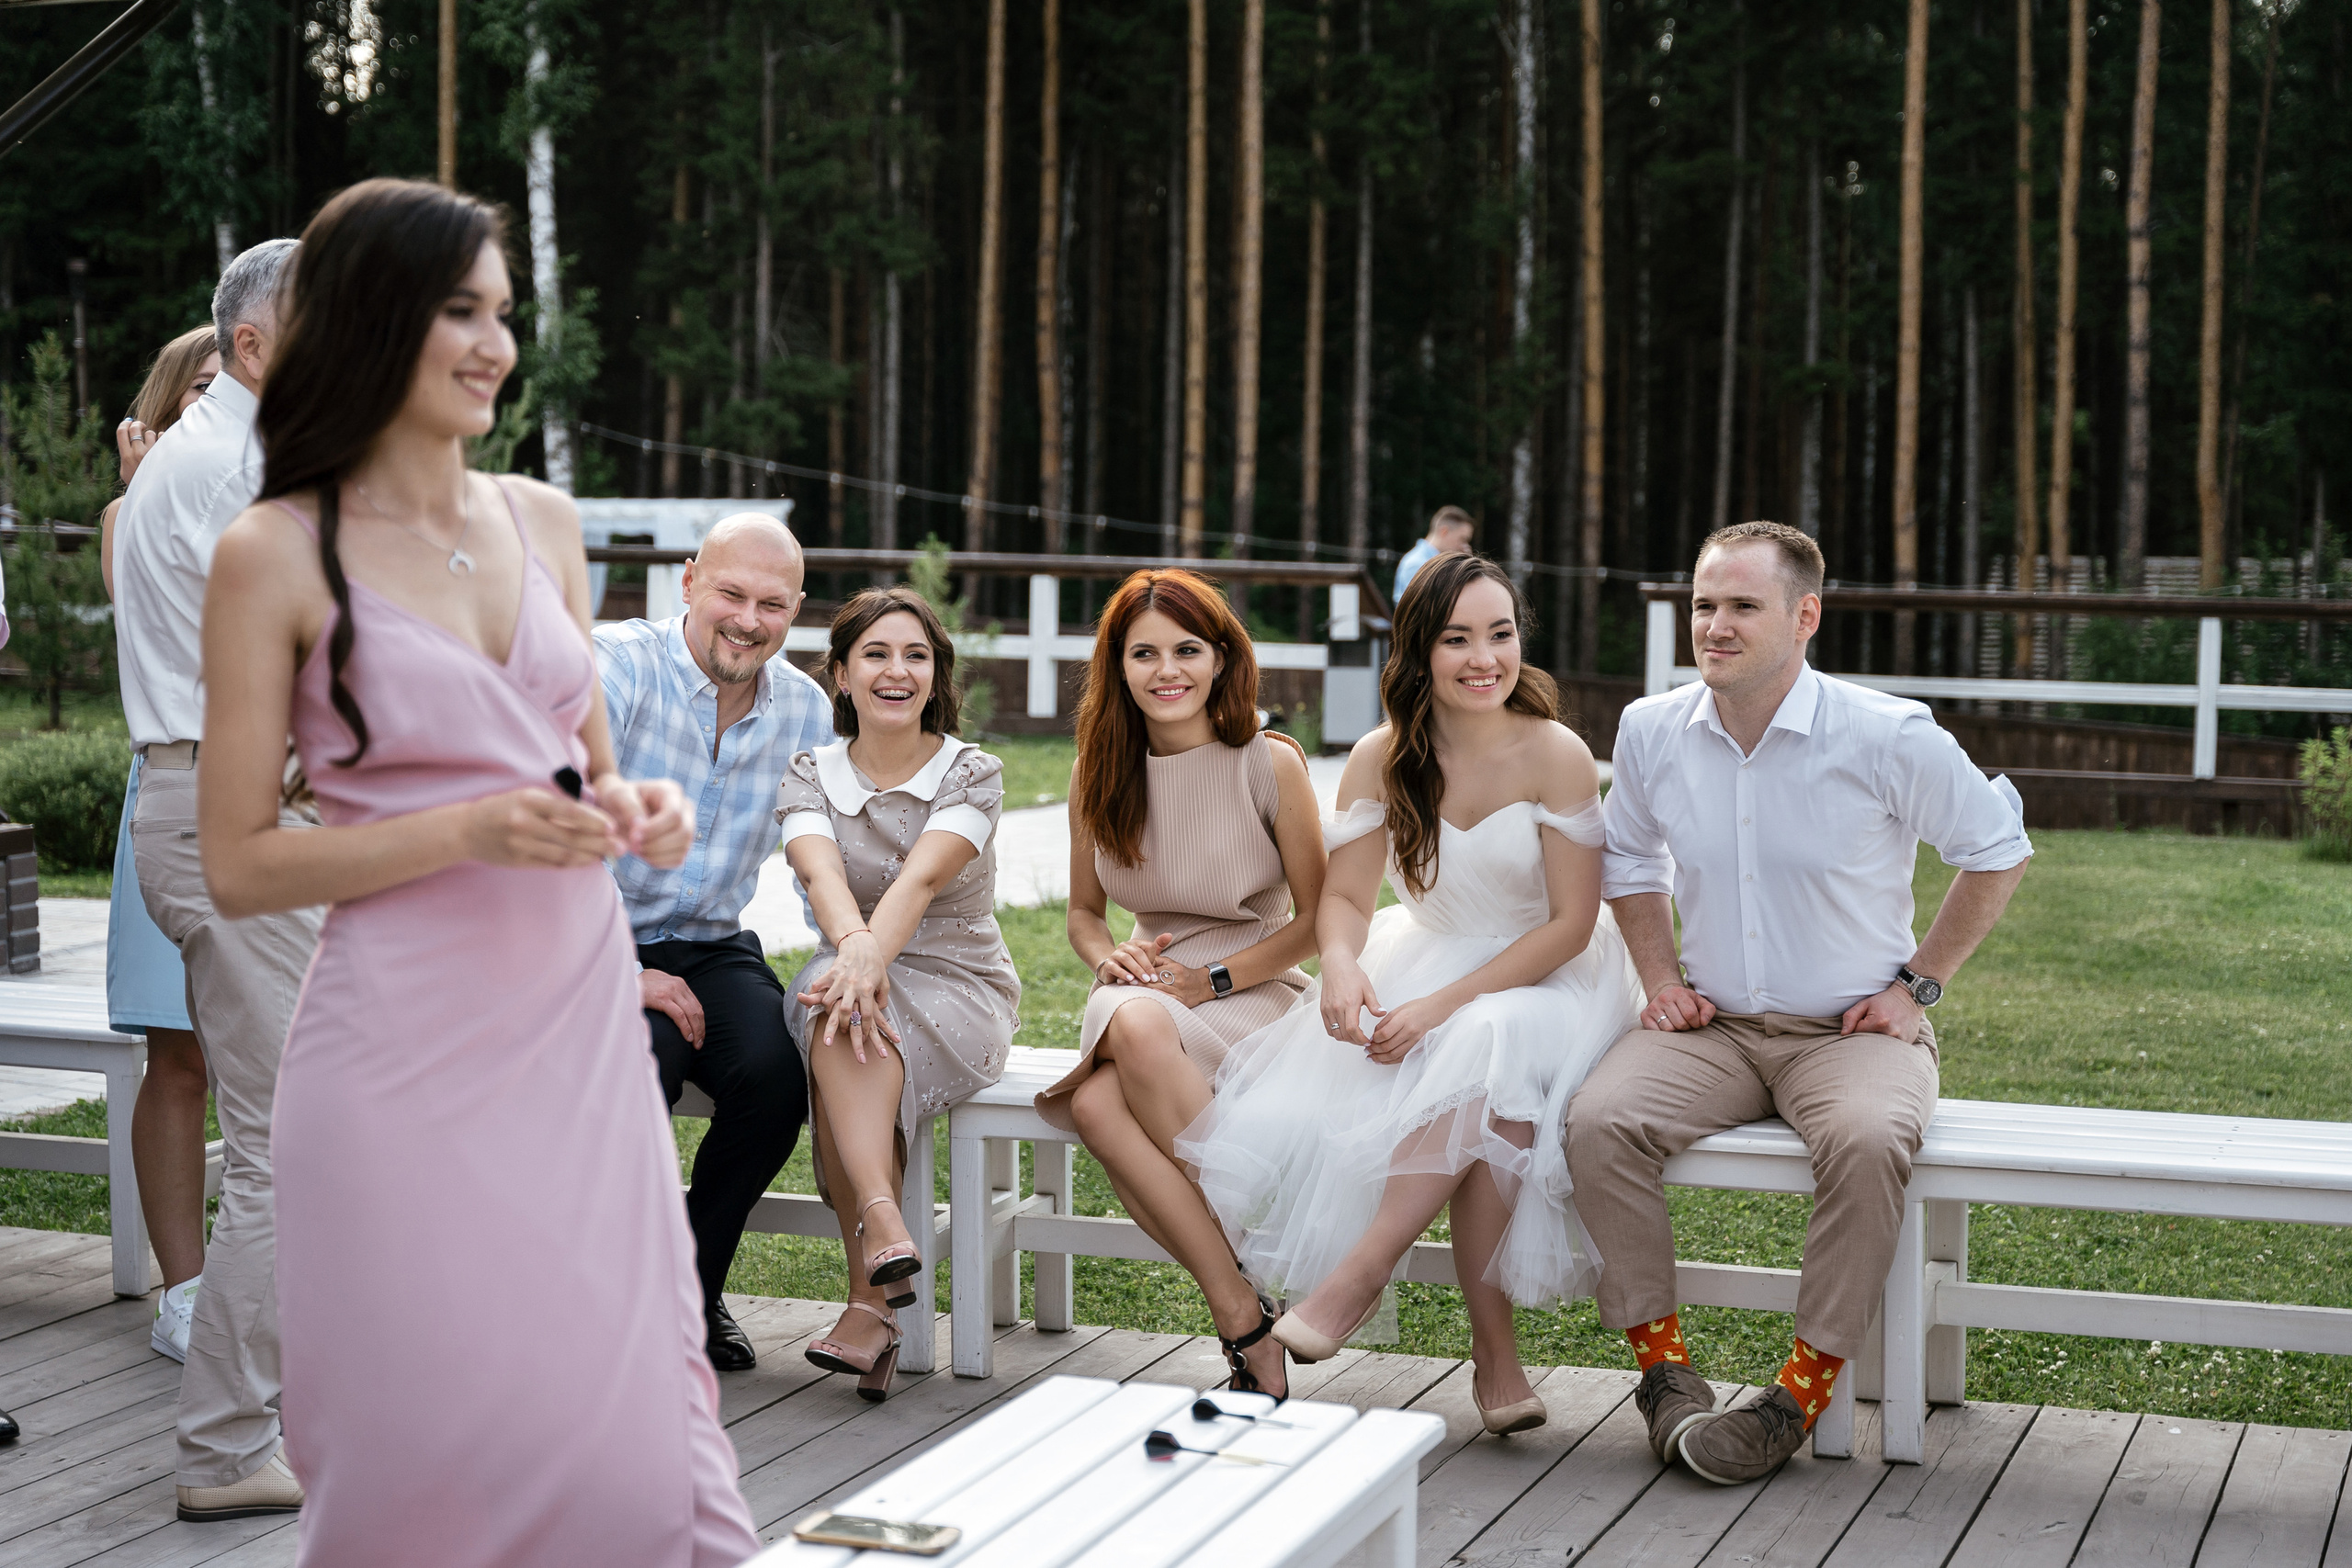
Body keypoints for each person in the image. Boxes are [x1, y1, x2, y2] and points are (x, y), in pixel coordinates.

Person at [198, 178, 758, 1563]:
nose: (496, 342)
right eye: (461, 309)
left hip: (575, 1033)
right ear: (374, 319)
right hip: (398, 1050)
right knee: (425, 1438)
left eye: (504, 312)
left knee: (629, 1423)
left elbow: (591, 769)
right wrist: (466, 830)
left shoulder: (541, 519)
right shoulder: (272, 551)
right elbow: (237, 861)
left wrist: (644, 812)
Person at [1573, 521, 2032, 1485]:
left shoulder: (1884, 734)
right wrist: (1659, 978)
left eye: (1743, 605)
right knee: (1600, 1119)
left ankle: (1794, 1398)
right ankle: (1663, 1376)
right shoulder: (1652, 729)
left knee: (1867, 1142)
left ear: (1804, 616)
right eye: (1704, 604)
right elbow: (1626, 856)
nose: (1716, 626)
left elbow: (1995, 848)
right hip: (1719, 1025)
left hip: (1851, 1033)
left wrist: (1917, 986)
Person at [1183, 553, 1642, 1435]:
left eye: (1501, 634)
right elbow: (1349, 900)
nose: (1484, 657)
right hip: (1426, 956)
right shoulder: (1381, 757)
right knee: (1493, 1106)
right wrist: (1346, 963)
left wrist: (1440, 1008)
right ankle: (1495, 1356)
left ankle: (1359, 1275)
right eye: (1457, 637)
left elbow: (1572, 926)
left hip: (1553, 979)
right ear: (1418, 650)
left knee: (1490, 1035)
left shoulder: (1555, 753)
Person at [113, 237, 321, 1522]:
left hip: (237, 806)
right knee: (283, 1143)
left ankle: (291, 1402)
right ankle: (225, 1445)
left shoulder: (224, 457)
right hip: (240, 811)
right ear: (254, 343)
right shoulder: (226, 465)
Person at [1040, 568, 1325, 1400]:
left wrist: (1214, 978)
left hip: (1257, 980)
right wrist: (1105, 957)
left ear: (1221, 658)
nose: (1168, 670)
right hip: (1146, 978)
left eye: (1188, 649)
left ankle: (1242, 1298)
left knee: (1101, 1096)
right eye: (1145, 653)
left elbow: (1320, 919)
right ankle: (1244, 1303)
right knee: (1116, 1052)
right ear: (1117, 666)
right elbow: (1084, 914)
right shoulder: (1099, 765)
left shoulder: (1269, 762)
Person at [596, 511, 834, 1371]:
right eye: (731, 592)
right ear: (689, 579)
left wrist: (847, 957)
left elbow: (820, 857)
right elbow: (552, 830)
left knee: (776, 1076)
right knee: (643, 1051)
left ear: (795, 609)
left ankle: (691, 1288)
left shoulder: (804, 708)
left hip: (710, 940)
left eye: (772, 603)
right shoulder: (617, 666)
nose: (748, 618)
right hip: (591, 935)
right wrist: (621, 973)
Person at [779, 586, 1020, 1402]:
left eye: (916, 654)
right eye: (876, 654)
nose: (897, 670)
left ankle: (867, 1294)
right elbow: (819, 874)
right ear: (841, 674)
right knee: (843, 1012)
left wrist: (858, 963)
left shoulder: (972, 770)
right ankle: (884, 1238)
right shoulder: (810, 771)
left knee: (843, 1016)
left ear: (935, 674)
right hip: (846, 974)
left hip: (957, 981)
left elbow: (920, 880)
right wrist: (855, 956)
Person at [96, 324, 222, 1365]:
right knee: (172, 1054)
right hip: (174, 780)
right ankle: (183, 1289)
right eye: (201, 388)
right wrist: (144, 500)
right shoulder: (129, 515)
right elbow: (138, 614)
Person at [1392, 504, 1475, 602]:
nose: (1464, 546)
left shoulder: (1433, 562)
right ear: (1444, 531)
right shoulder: (1417, 564)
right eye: (1462, 539)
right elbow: (1425, 611)